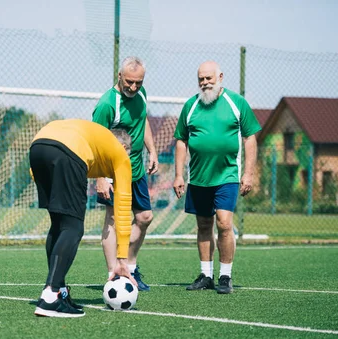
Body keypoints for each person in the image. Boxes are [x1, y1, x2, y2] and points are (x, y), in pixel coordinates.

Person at [29, 119, 137, 317]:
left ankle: (58, 291)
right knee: (73, 227)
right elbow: (122, 209)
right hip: (67, 149)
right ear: (123, 147)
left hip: (38, 147)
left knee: (59, 224)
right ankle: (50, 296)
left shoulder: (98, 145)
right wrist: (122, 259)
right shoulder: (120, 155)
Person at [172, 61, 260, 294]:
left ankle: (225, 276)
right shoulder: (191, 105)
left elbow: (250, 137)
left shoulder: (236, 102)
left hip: (227, 176)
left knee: (223, 223)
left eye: (209, 78)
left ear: (220, 77)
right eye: (201, 78)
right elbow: (181, 140)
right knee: (203, 225)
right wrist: (179, 174)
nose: (205, 82)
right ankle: (206, 275)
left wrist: (248, 174)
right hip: (199, 178)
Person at [92, 56, 158, 291]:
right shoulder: (107, 105)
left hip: (136, 169)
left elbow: (143, 120)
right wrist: (100, 177)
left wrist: (152, 151)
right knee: (112, 219)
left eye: (138, 82)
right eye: (129, 82)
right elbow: (96, 142)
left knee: (144, 217)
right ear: (119, 76)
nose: (133, 87)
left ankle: (129, 267)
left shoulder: (141, 94)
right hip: (112, 171)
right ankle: (114, 274)